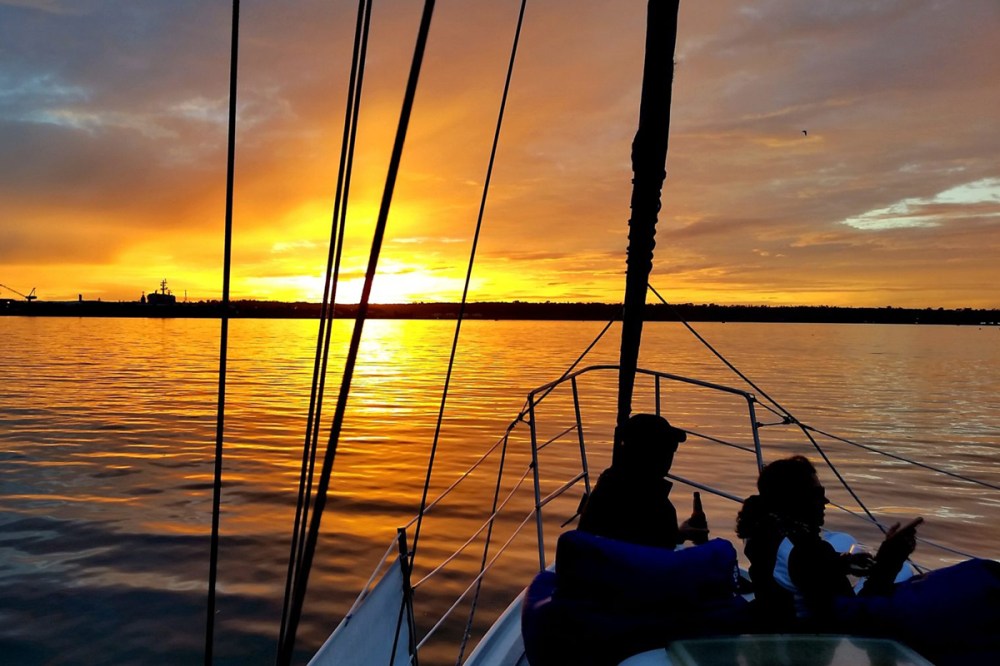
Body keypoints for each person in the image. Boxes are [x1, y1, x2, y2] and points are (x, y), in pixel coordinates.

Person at [735, 455, 918, 630]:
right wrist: (891, 561)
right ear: (795, 499)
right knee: (904, 571)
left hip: (775, 625)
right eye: (817, 493)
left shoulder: (764, 530)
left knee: (844, 540)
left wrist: (842, 563)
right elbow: (858, 618)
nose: (825, 501)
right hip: (808, 644)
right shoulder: (805, 551)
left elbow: (811, 567)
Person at [578, 413, 709, 549]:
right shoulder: (661, 510)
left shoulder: (603, 493)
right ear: (655, 454)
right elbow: (659, 557)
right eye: (670, 448)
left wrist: (680, 534)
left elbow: (633, 536)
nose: (671, 455)